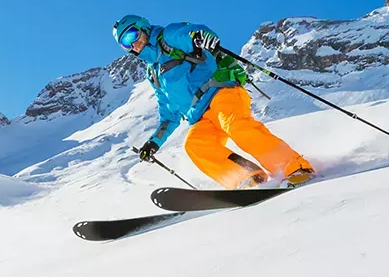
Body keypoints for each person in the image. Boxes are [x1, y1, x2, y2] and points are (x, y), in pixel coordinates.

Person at [112, 14, 315, 189]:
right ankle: (249, 179)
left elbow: (192, 32)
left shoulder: (169, 37)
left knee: (236, 126)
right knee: (196, 146)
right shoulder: (153, 73)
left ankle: (295, 167)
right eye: (125, 44)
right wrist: (153, 143)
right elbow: (169, 115)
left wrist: (200, 37)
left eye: (132, 35)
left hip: (221, 94)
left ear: (143, 28)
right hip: (201, 116)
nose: (133, 44)